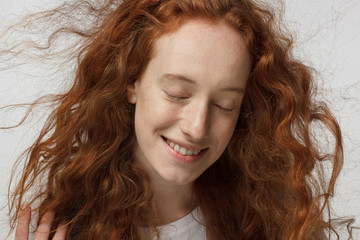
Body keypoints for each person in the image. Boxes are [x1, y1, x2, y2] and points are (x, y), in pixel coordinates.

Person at [2, 0, 351, 239]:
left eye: (225, 104)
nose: (197, 127)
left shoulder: (279, 222)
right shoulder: (56, 226)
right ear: (131, 82)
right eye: (177, 94)